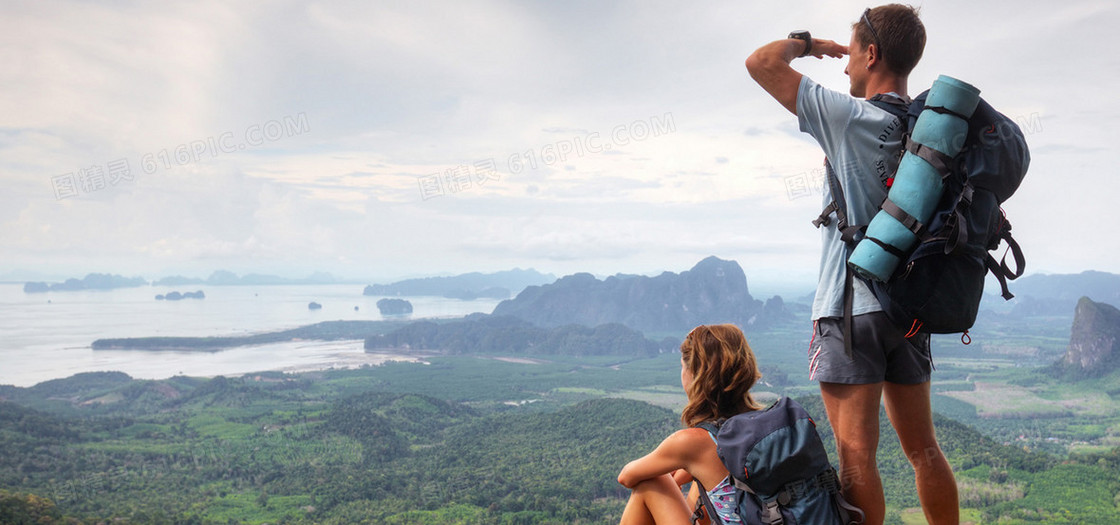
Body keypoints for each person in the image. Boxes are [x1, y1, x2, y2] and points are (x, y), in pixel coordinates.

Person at [744, 5, 958, 525]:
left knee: (855, 456)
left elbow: (760, 62)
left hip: (850, 308)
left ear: (871, 53)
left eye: (849, 53)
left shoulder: (848, 117)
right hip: (908, 306)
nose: (842, 68)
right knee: (923, 449)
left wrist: (807, 44)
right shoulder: (932, 132)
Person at [617, 324, 763, 525]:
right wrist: (687, 468)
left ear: (695, 375)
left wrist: (674, 467)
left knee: (653, 481)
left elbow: (626, 476)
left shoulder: (694, 442)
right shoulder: (765, 423)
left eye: (683, 367)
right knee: (699, 482)